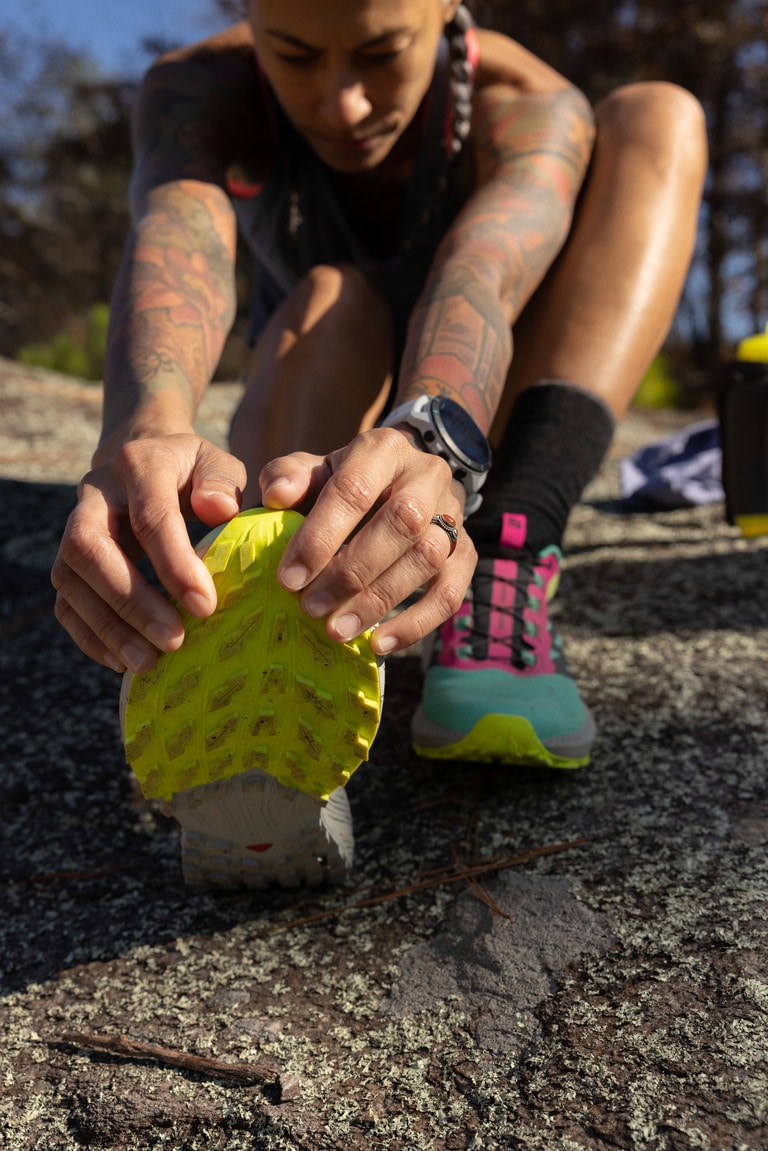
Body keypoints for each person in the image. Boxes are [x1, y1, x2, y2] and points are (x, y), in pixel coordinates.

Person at [51, 0, 707, 887]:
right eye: (292, 53)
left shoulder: (525, 99)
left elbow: (482, 269)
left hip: (496, 385)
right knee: (329, 290)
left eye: (381, 52)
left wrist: (427, 433)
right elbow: (180, 232)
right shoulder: (200, 88)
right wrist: (146, 428)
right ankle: (278, 614)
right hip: (341, 374)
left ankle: (512, 537)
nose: (343, 103)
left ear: (447, 9)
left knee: (657, 115)